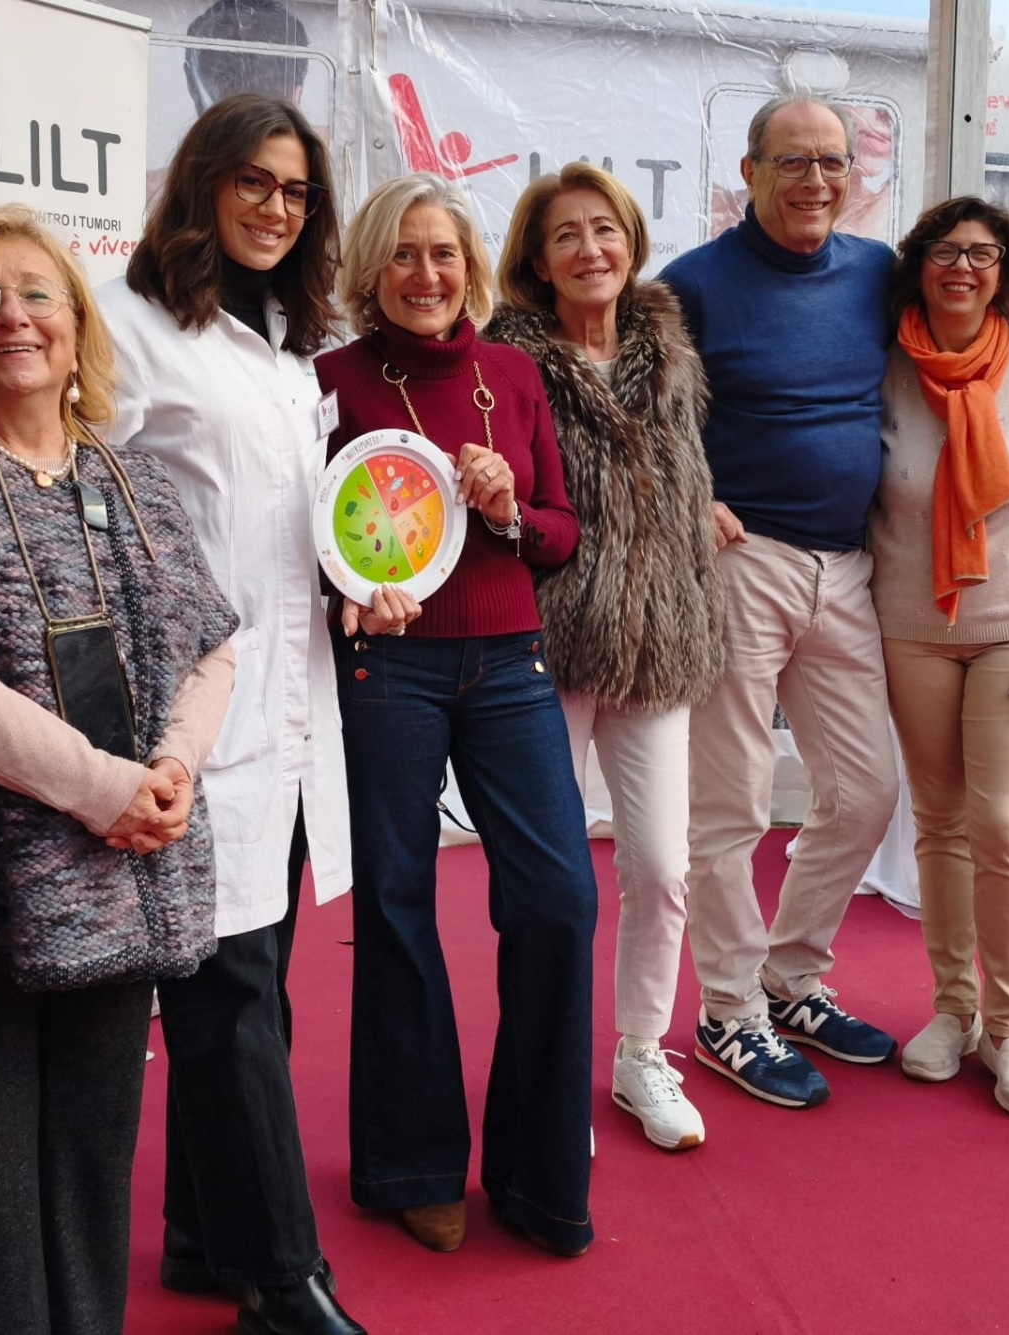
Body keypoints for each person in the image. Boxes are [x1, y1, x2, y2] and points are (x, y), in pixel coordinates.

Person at [0, 206, 240, 1333]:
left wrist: (171, 767)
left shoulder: (131, 476)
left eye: (38, 293)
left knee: (93, 1168)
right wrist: (100, 787)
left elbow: (211, 645)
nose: (14, 318)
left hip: (128, 870)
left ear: (79, 326)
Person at [96, 95, 365, 1335]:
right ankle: (284, 1283)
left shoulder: (290, 339)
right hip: (188, 714)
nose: (275, 206)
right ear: (202, 182)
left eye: (297, 190)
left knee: (256, 980)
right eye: (253, 180)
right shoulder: (126, 323)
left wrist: (364, 583)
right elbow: (77, 497)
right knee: (227, 995)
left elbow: (289, 527)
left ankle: (206, 1241)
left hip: (292, 709)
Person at [318, 172, 596, 1257]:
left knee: (559, 899)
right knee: (397, 903)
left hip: (511, 661)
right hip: (390, 668)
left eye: (442, 253)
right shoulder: (333, 381)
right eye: (402, 253)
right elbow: (312, 539)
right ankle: (414, 1165)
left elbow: (562, 534)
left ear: (470, 266)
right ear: (371, 269)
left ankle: (539, 1173)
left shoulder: (513, 376)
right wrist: (351, 593)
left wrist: (509, 509)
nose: (425, 274)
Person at [657, 94, 902, 1110]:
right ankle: (727, 1012)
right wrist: (692, 496)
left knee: (867, 791)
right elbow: (643, 418)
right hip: (741, 562)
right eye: (793, 162)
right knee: (731, 804)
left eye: (833, 162)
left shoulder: (879, 273)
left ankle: (790, 978)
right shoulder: (690, 286)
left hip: (849, 567)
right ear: (749, 172)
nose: (816, 181)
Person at [487, 163, 726, 1152]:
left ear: (631, 241)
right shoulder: (505, 362)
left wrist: (703, 511)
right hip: (545, 642)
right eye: (567, 236)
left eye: (606, 229)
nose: (592, 249)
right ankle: (545, 1076)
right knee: (548, 885)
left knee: (663, 866)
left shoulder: (670, 351)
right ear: (538, 263)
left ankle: (640, 1052)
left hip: (660, 640)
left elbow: (676, 470)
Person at [872, 197, 1009, 1119]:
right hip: (910, 627)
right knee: (939, 821)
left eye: (983, 252)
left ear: (1005, 270)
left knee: (1002, 823)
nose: (962, 267)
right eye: (944, 250)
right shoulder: (885, 365)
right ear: (917, 264)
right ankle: (953, 1009)